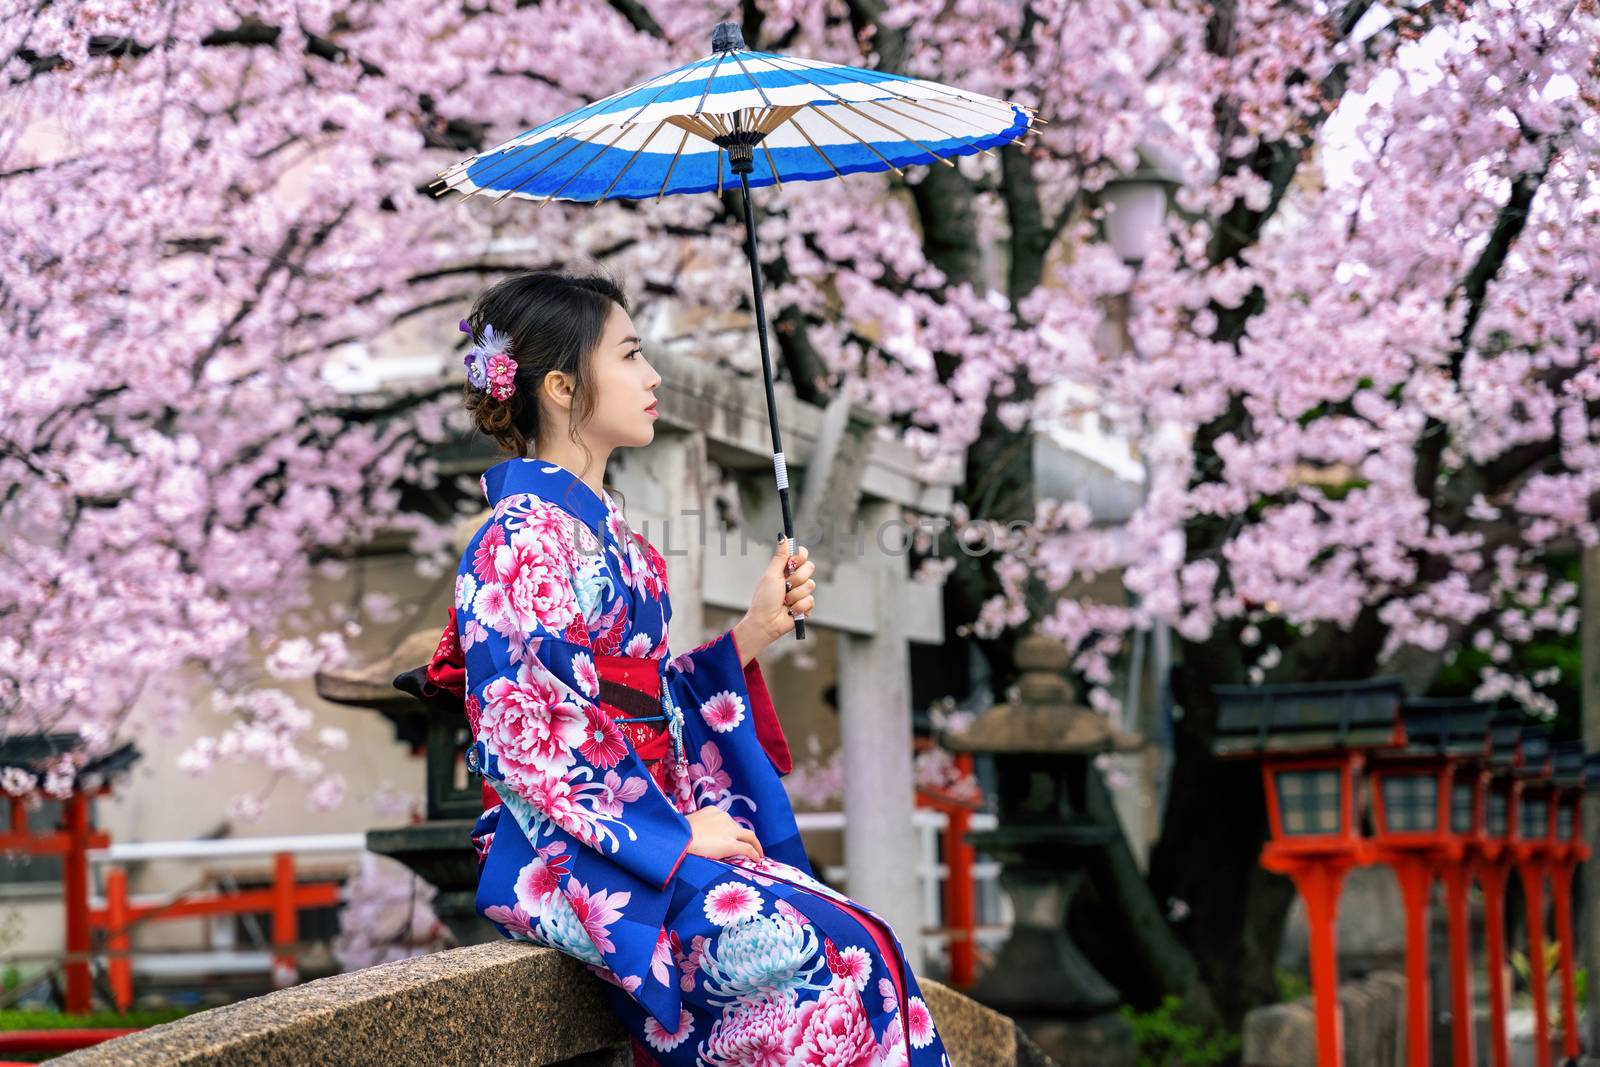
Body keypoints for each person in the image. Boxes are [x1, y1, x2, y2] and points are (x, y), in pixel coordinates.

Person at [425, 269, 951, 1066]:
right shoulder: (518, 539)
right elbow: (532, 734)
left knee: (867, 942)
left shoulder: (621, 546)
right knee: (826, 957)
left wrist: (752, 631)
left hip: (642, 832)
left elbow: (642, 697)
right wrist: (672, 837)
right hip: (578, 852)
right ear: (565, 386)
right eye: (631, 355)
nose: (653, 376)